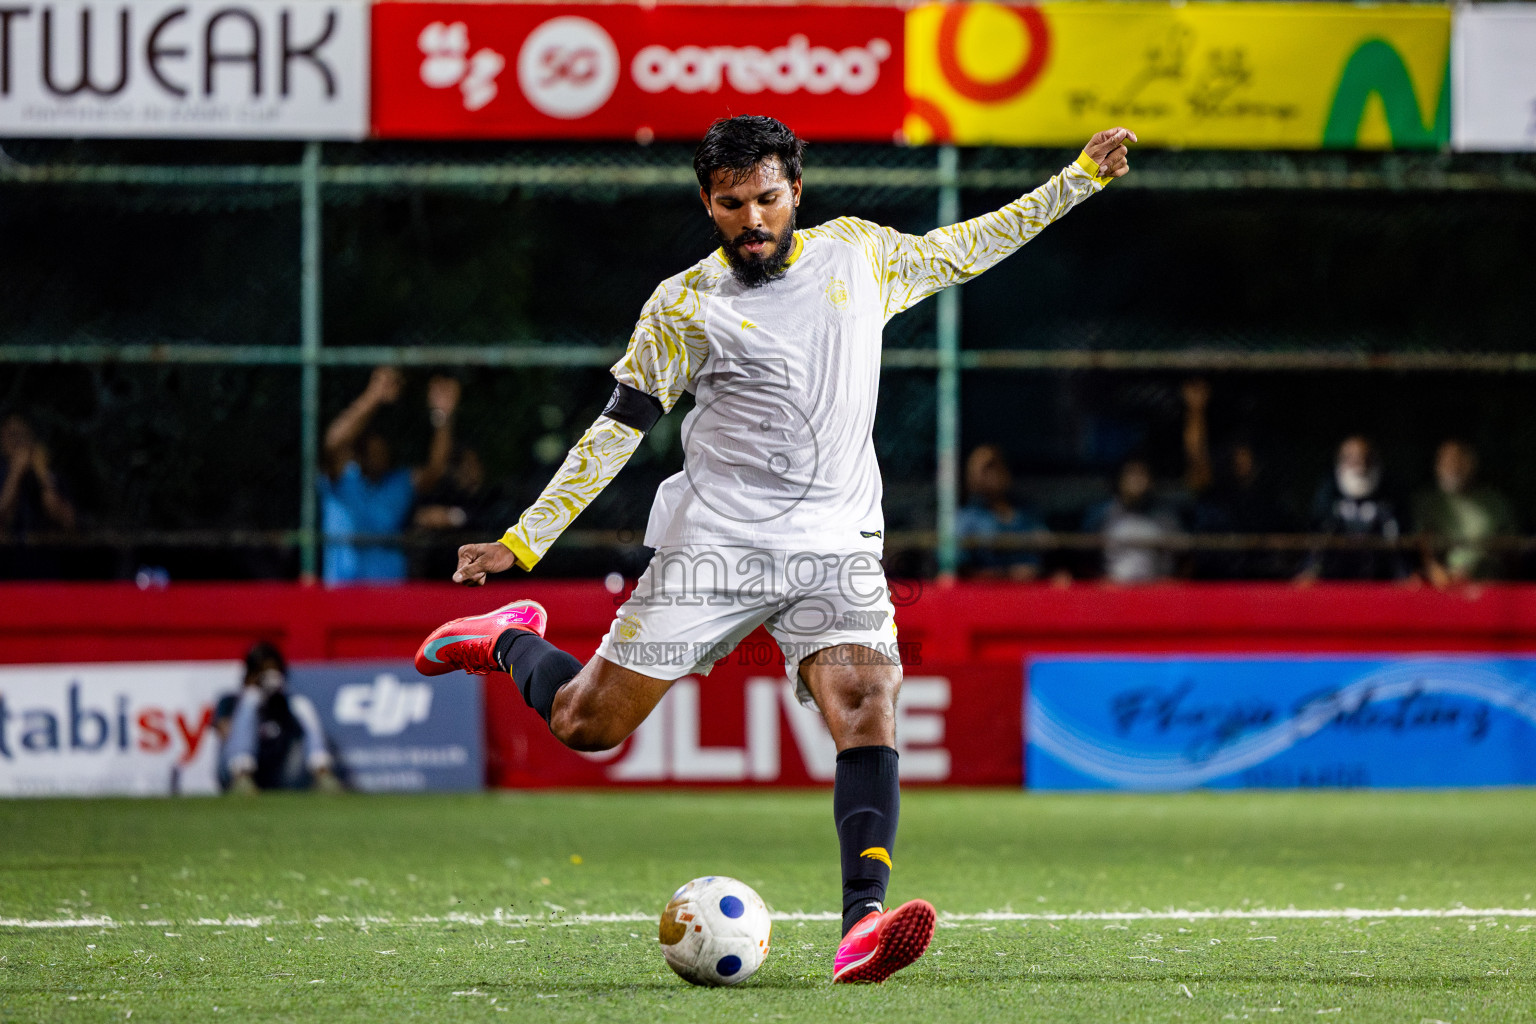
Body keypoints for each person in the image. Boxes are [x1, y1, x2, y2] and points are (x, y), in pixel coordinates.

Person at [414, 115, 1135, 984]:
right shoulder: (683, 306)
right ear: (708, 205)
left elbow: (967, 246)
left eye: (765, 199)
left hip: (836, 544)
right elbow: (617, 432)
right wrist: (524, 542)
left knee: (868, 697)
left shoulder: (859, 256)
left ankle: (862, 926)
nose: (751, 219)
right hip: (717, 544)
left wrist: (1078, 180)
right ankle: (504, 638)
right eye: (730, 205)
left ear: (796, 190)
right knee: (586, 724)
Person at [320, 367, 459, 585]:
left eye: (382, 451)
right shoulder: (343, 478)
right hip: (343, 590)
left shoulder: (399, 483)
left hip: (388, 591)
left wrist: (443, 417)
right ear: (360, 451)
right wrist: (373, 396)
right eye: (371, 450)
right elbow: (334, 442)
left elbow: (435, 471)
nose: (377, 456)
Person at [1180, 379, 1290, 579]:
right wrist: (1196, 410)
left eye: (1247, 457)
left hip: (1254, 577)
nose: (1242, 462)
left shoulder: (1268, 498)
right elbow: (1196, 459)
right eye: (1236, 457)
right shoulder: (1216, 490)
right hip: (1214, 575)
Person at [214, 642, 342, 794]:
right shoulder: (231, 701)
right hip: (233, 773)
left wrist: (280, 705)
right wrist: (255, 700)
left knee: (301, 704)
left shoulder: (288, 704)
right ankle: (242, 776)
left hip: (280, 775)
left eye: (273, 673)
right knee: (251, 698)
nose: (268, 679)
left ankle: (323, 774)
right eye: (262, 672)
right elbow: (225, 734)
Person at [1297, 435, 1407, 582]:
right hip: (1335, 581)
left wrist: (1404, 573)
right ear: (1340, 461)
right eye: (1351, 457)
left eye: (1365, 456)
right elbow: (1318, 536)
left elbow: (1398, 539)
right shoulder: (1328, 492)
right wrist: (1310, 570)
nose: (1360, 463)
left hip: (1380, 580)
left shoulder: (1389, 492)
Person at [1413, 439, 1516, 586]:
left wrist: (1474, 572)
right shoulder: (1426, 502)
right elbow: (1422, 544)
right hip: (1442, 585)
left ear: (1472, 463)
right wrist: (1435, 570)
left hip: (1487, 585)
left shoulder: (1496, 503)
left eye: (1459, 459)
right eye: (1446, 460)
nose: (1453, 467)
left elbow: (1510, 551)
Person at [0, 411, 77, 579]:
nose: (17, 443)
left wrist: (43, 475)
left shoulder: (48, 474)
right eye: (11, 435)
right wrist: (15, 474)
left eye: (22, 436)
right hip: (7, 567)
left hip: (44, 567)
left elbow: (67, 522)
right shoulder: (2, 474)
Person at [955, 444, 1046, 581]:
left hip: (1032, 592)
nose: (992, 474)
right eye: (984, 469)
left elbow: (1047, 549)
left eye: (995, 465)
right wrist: (1006, 575)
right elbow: (959, 571)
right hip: (987, 594)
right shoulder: (966, 519)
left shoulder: (1027, 514)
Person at [1082, 458, 1180, 583]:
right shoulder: (1100, 514)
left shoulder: (1166, 517)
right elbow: (1083, 557)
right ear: (1119, 479)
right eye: (1131, 474)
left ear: (1151, 481)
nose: (1136, 480)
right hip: (1111, 590)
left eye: (1141, 474)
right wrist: (1099, 580)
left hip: (1154, 590)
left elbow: (1183, 557)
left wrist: (1168, 581)